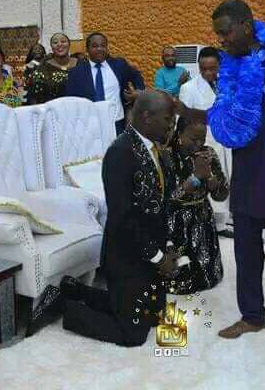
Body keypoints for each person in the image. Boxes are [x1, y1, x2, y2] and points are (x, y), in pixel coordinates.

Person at [177, 0, 265, 339]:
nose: (221, 40)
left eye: (225, 32)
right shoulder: (229, 66)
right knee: (245, 249)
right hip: (246, 174)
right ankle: (253, 315)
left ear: (245, 25)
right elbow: (220, 116)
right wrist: (182, 110)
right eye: (218, 34)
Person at [60, 90, 178, 347]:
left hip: (152, 251)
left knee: (154, 318)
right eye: (168, 119)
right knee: (133, 335)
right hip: (127, 256)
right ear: (147, 117)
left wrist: (168, 248)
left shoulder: (156, 149)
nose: (172, 125)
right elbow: (123, 218)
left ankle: (77, 290)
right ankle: (65, 309)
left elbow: (165, 205)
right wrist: (158, 258)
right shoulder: (120, 153)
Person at [164, 118, 227, 294]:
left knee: (207, 275)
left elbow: (221, 195)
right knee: (179, 278)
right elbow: (168, 199)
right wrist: (196, 177)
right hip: (176, 221)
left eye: (202, 139)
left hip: (203, 217)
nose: (199, 144)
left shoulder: (208, 154)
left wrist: (210, 177)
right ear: (179, 134)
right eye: (193, 139)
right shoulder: (167, 156)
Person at [178, 46, 233, 235]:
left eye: (212, 68)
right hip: (205, 144)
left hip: (228, 142)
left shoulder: (227, 85)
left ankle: (224, 220)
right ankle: (215, 224)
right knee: (210, 181)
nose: (208, 72)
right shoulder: (188, 88)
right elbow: (183, 121)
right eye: (203, 69)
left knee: (226, 179)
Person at [66, 32, 145, 134]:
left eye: (103, 46)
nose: (99, 49)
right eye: (95, 46)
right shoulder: (76, 72)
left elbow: (136, 75)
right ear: (87, 49)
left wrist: (138, 92)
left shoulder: (119, 65)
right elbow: (71, 101)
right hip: (90, 126)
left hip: (117, 123)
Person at [27, 33, 79, 104]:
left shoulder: (81, 64)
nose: (59, 44)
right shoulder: (42, 69)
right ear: (51, 47)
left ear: (69, 44)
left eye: (63, 41)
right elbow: (34, 98)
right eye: (55, 42)